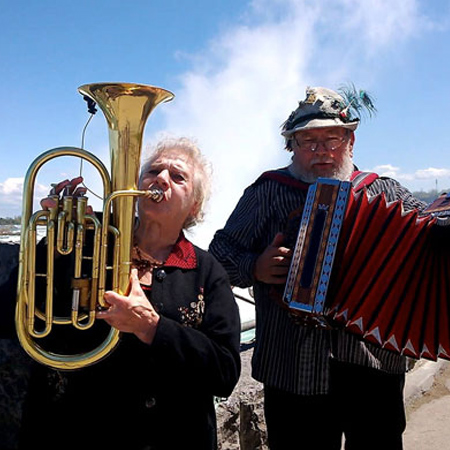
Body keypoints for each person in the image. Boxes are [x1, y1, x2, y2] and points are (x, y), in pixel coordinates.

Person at [209, 86, 427, 450]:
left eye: (332, 138)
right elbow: (220, 253)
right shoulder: (267, 192)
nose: (321, 149)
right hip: (291, 369)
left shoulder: (384, 193)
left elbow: (429, 240)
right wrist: (255, 267)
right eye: (308, 140)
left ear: (351, 140)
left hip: (373, 366)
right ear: (292, 146)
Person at [1, 137, 241, 450]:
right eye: (153, 171)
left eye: (178, 177)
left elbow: (224, 372)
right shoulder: (87, 236)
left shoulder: (207, 271)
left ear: (193, 205)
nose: (160, 179)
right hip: (70, 431)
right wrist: (57, 243)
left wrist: (152, 328)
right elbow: (11, 316)